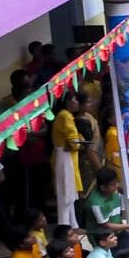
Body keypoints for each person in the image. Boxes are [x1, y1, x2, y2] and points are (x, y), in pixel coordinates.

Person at [51, 92, 85, 228]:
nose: (77, 103)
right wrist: (79, 143)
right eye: (75, 100)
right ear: (69, 101)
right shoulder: (65, 116)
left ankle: (73, 225)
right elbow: (74, 141)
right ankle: (65, 227)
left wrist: (78, 142)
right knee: (65, 195)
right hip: (65, 157)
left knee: (70, 194)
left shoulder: (65, 115)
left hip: (66, 155)